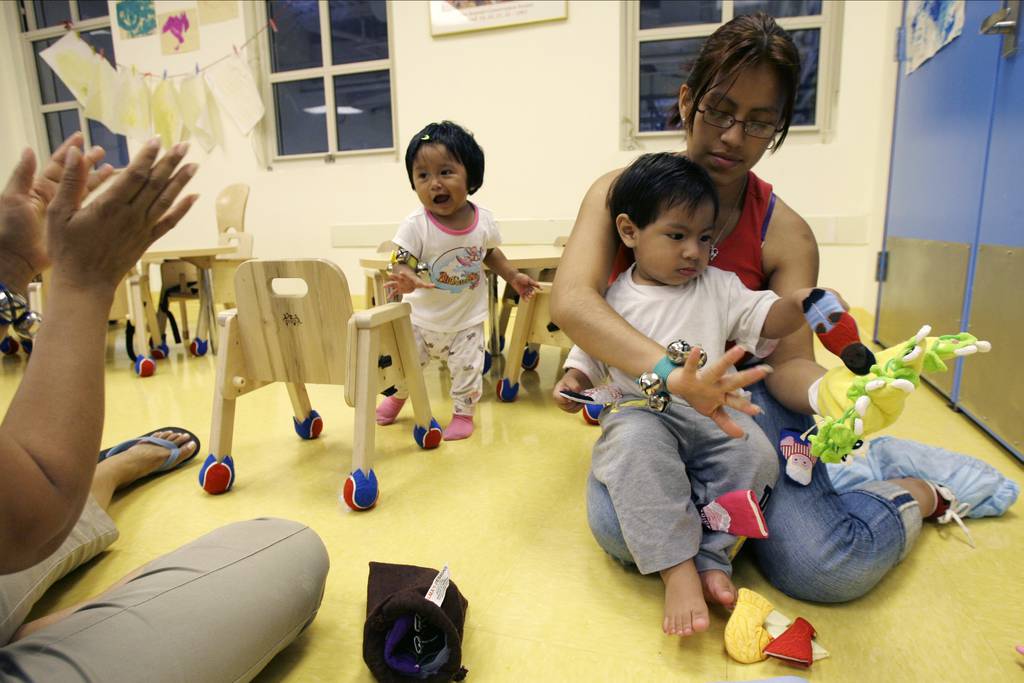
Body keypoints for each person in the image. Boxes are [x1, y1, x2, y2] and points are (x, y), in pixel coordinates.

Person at [551, 12, 1018, 609]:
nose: (732, 136)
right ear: (688, 100)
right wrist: (670, 378)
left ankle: (912, 486)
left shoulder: (786, 235)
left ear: (777, 129)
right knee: (626, 537)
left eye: (758, 122)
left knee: (823, 569)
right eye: (719, 110)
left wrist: (835, 396)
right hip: (657, 399)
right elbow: (575, 302)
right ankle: (761, 508)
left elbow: (788, 361)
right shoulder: (621, 194)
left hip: (746, 402)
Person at [0, 135, 329, 681]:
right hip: (24, 518)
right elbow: (30, 525)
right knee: (287, 544)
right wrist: (85, 282)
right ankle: (92, 521)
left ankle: (100, 477)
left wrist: (10, 267)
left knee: (42, 509)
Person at [563, 152, 859, 637]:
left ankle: (711, 555)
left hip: (711, 416)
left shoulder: (719, 286)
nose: (693, 253)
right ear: (629, 231)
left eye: (704, 239)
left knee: (756, 454)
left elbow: (767, 318)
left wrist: (802, 304)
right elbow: (589, 354)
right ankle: (679, 570)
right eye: (677, 236)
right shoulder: (614, 297)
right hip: (643, 413)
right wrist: (574, 382)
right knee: (637, 450)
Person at [376, 121, 540, 441]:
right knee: (408, 364)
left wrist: (512, 275)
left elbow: (490, 253)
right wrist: (406, 277)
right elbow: (401, 259)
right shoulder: (416, 224)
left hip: (466, 318)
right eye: (423, 175)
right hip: (421, 317)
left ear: (471, 177)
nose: (434, 184)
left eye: (445, 172)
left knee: (467, 369)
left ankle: (463, 414)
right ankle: (398, 398)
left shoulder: (484, 221)